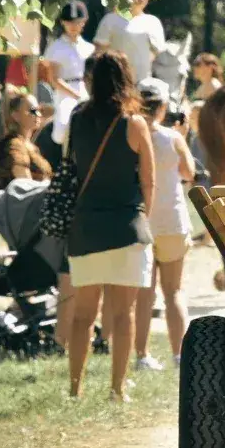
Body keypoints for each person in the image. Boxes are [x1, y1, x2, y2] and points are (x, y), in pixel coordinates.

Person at [64, 50, 155, 402]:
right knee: (123, 314)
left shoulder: (77, 120)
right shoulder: (134, 124)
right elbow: (148, 180)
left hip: (86, 227)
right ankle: (118, 389)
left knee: (82, 315)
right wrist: (143, 214)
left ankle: (75, 388)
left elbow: (72, 166)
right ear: (125, 80)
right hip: (127, 226)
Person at [132, 78, 194, 371]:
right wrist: (182, 134)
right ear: (164, 107)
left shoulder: (130, 137)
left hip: (143, 221)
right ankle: (179, 353)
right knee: (174, 292)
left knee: (145, 293)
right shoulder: (173, 137)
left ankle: (142, 355)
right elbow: (188, 172)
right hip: (172, 222)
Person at [93, 0, 167, 81]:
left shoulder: (153, 22)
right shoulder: (111, 20)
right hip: (116, 85)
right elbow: (99, 55)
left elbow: (161, 58)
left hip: (145, 86)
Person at [44, 0, 96, 146]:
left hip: (87, 89)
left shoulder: (89, 49)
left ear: (84, 22)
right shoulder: (56, 47)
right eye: (69, 22)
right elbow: (54, 79)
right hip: (65, 93)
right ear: (63, 22)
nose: (73, 26)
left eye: (77, 22)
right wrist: (76, 95)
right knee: (63, 124)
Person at [0, 86, 52, 191]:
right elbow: (26, 186)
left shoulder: (31, 146)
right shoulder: (14, 144)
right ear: (16, 116)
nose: (38, 115)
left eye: (39, 110)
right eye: (32, 111)